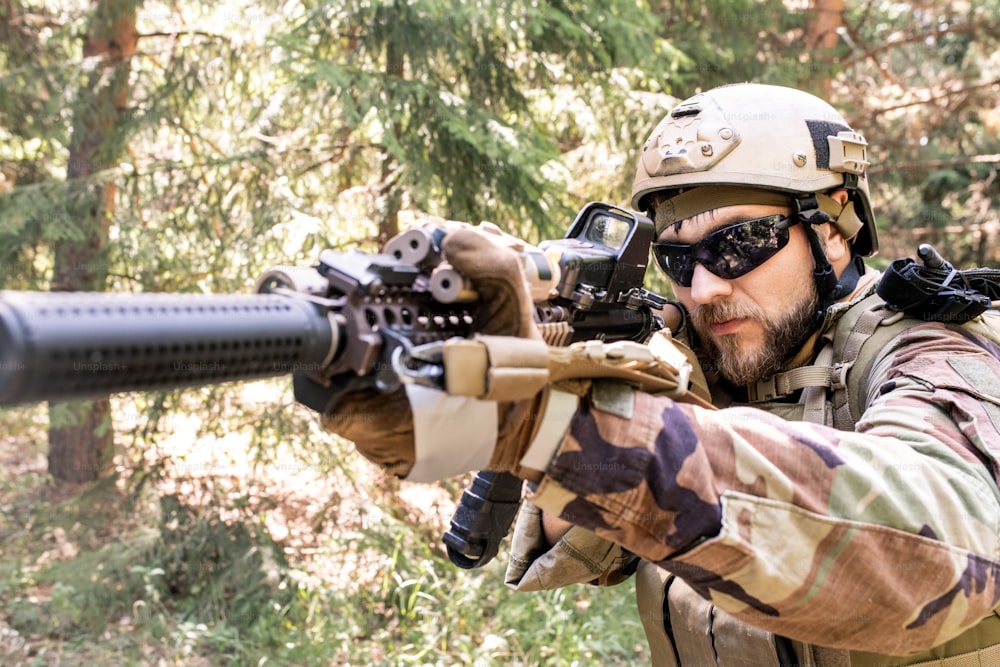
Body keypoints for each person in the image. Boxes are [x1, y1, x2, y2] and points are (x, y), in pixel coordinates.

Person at [324, 83, 1000, 666]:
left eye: (738, 245)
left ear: (835, 227)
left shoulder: (936, 345)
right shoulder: (702, 357)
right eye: (678, 260)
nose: (703, 289)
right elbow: (605, 546)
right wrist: (537, 379)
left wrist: (555, 428)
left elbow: (938, 543)